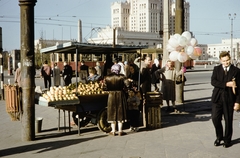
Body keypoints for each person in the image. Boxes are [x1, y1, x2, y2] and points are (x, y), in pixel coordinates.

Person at [211, 51, 240, 148]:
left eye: (227, 60)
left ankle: (227, 140)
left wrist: (237, 102)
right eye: (223, 61)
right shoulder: (216, 69)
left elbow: (239, 88)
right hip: (217, 98)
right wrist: (226, 84)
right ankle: (219, 137)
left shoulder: (236, 71)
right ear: (220, 60)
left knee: (228, 120)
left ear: (230, 59)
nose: (226, 62)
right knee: (215, 118)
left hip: (229, 99)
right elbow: (213, 82)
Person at [103, 64, 130, 136]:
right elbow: (128, 85)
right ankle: (120, 130)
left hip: (111, 96)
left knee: (112, 111)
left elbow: (104, 88)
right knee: (120, 111)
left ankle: (113, 130)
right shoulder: (122, 77)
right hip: (120, 95)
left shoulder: (107, 77)